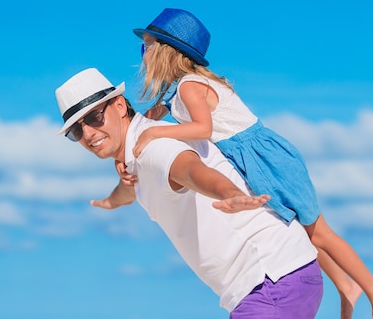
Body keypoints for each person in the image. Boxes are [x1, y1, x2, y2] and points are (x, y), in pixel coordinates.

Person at [126, 8, 373, 319]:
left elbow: (204, 129)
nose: (142, 55)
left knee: (318, 232)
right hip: (247, 161)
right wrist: (131, 156)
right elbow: (142, 124)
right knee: (298, 229)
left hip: (265, 157)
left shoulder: (190, 86)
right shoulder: (172, 93)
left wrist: (157, 133)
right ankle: (347, 288)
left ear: (165, 52)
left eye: (145, 47)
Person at [55, 67, 323, 318]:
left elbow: (190, 170)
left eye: (94, 117)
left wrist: (228, 192)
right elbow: (130, 190)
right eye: (77, 130)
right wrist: (112, 201)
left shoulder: (152, 149)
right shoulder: (135, 156)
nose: (88, 133)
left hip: (270, 278)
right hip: (270, 282)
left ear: (120, 105)